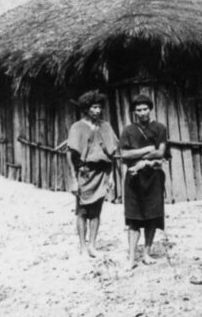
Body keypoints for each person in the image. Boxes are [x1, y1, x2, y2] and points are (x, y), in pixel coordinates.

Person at [66, 90, 118, 258]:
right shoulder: (77, 127)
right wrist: (74, 180)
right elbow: (70, 154)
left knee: (96, 211)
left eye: (99, 107)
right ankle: (82, 245)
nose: (97, 111)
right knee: (82, 211)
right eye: (94, 107)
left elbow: (112, 154)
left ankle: (92, 246)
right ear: (86, 108)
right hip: (85, 173)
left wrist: (111, 177)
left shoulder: (106, 126)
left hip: (102, 173)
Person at [119, 95, 168, 269]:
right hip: (134, 178)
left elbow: (161, 153)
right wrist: (148, 149)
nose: (142, 113)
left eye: (145, 109)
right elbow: (124, 154)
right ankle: (132, 258)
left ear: (150, 109)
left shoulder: (160, 128)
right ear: (134, 112)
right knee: (134, 218)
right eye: (138, 110)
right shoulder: (128, 131)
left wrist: (141, 157)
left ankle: (146, 253)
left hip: (153, 176)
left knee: (152, 216)